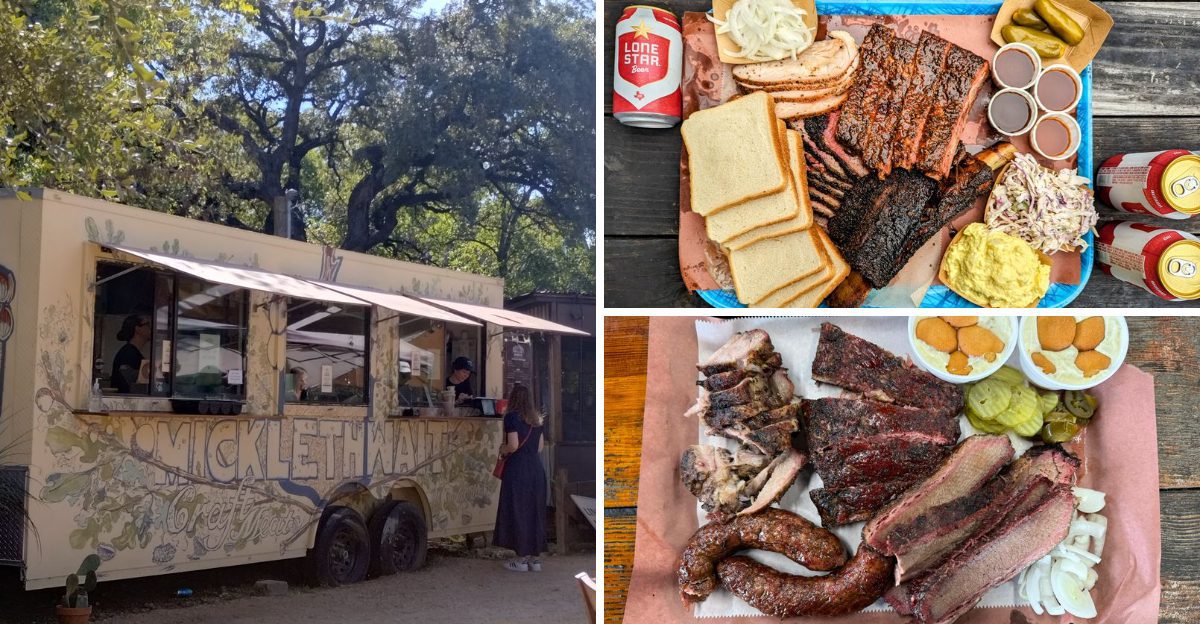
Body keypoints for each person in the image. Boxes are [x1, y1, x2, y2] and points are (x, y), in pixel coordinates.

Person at [493, 383, 546, 572]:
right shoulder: (537, 419)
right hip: (536, 470)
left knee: (519, 510)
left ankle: (521, 559)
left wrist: (503, 449)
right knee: (534, 511)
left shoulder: (511, 418)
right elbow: (539, 448)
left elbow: (513, 445)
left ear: (513, 398)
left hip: (518, 470)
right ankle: (535, 559)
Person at [111, 314, 151, 394]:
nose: (150, 329)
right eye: (148, 325)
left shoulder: (130, 352)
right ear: (138, 329)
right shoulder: (128, 354)